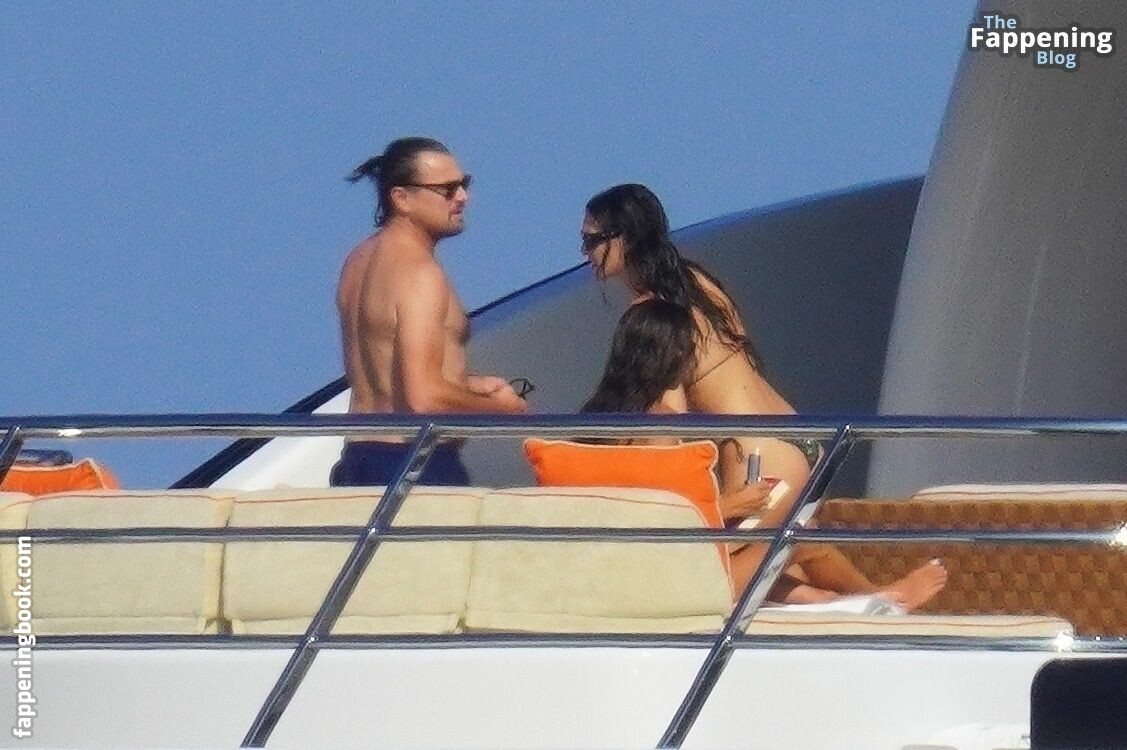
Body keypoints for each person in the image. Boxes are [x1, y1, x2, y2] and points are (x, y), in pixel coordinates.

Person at [580, 185, 946, 609]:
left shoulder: (651, 316)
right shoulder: (698, 283)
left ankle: (885, 600)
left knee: (737, 562)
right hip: (793, 434)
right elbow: (740, 357)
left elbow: (671, 424)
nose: (585, 252)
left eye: (592, 240)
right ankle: (868, 603)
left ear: (625, 237)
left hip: (757, 460)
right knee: (778, 570)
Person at [332, 137, 527, 487]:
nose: (463, 197)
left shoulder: (357, 262)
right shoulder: (420, 273)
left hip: (358, 458)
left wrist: (467, 385)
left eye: (464, 184)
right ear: (401, 198)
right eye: (447, 190)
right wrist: (505, 409)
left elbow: (386, 368)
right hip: (415, 462)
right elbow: (422, 398)